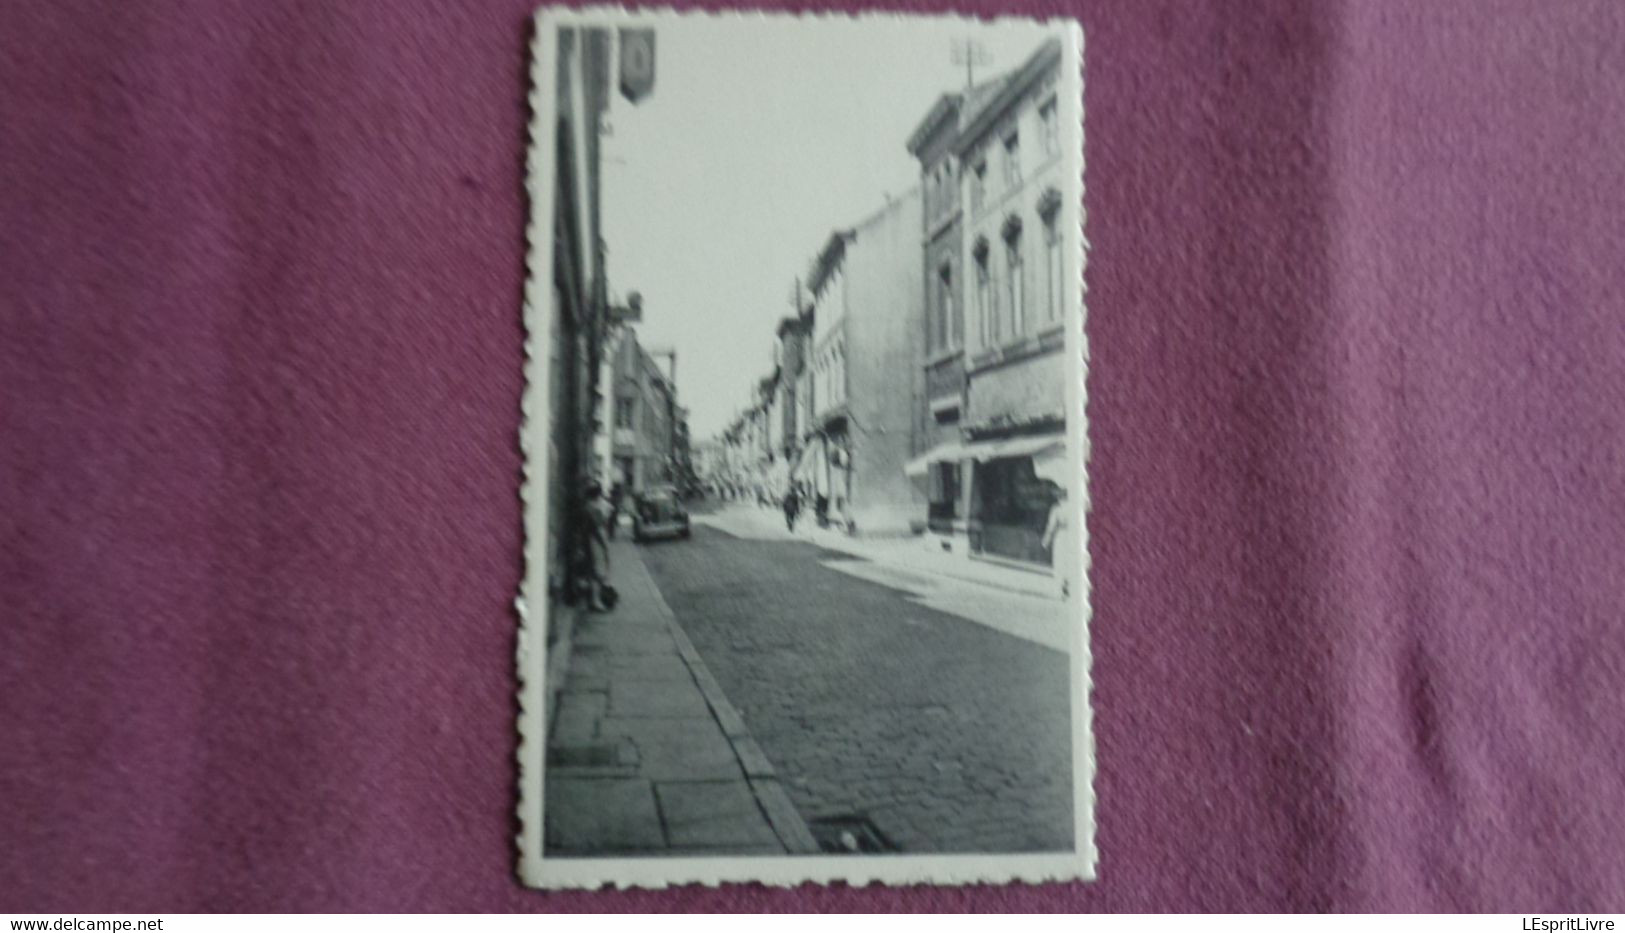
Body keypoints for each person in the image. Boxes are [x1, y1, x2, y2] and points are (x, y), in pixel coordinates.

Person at [582, 481, 614, 611]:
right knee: (597, 572)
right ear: (597, 494)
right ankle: (596, 601)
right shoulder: (595, 508)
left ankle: (594, 600)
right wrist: (605, 546)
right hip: (595, 542)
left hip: (589, 540)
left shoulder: (588, 506)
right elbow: (599, 529)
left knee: (593, 571)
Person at [1041, 484, 1073, 599]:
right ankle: (1069, 587)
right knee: (1070, 562)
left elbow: (1051, 526)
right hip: (1072, 536)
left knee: (1059, 562)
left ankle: (1060, 589)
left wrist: (1046, 540)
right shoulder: (1074, 507)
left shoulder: (1057, 508)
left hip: (1061, 535)